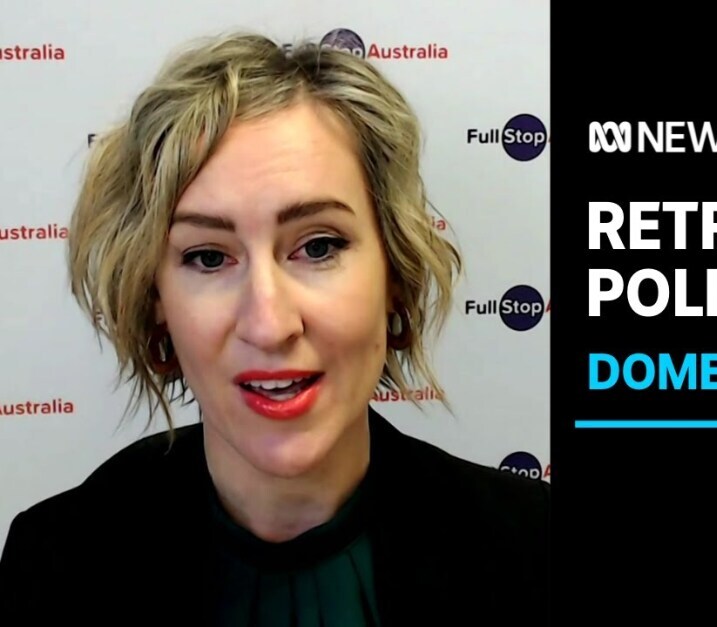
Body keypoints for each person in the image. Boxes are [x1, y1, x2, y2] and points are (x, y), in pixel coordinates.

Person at [0, 32, 549, 625]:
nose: (268, 325)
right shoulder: (54, 561)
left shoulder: (532, 546)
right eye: (208, 257)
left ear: (395, 271)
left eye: (319, 246)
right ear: (155, 299)